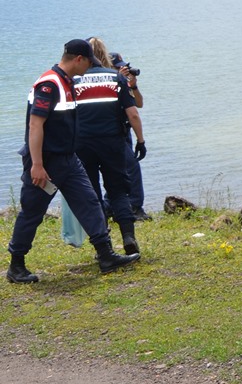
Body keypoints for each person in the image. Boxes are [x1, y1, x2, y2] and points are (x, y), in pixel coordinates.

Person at [6, 40, 141, 284]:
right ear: (79, 58)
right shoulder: (49, 84)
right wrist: (37, 164)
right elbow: (35, 124)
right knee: (33, 212)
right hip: (46, 162)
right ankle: (16, 265)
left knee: (89, 202)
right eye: (89, 62)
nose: (89, 68)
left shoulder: (68, 82)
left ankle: (106, 255)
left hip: (69, 159)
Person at [76, 41, 147, 255]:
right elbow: (133, 112)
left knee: (92, 194)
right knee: (118, 192)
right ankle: (128, 237)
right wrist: (141, 141)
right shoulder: (115, 77)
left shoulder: (73, 81)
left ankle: (103, 245)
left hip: (82, 144)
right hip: (113, 142)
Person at [105, 45, 151, 221]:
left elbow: (139, 104)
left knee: (116, 170)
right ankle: (134, 207)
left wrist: (133, 85)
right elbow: (133, 113)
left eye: (122, 67)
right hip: (115, 132)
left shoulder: (123, 84)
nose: (121, 70)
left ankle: (110, 206)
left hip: (124, 132)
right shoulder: (111, 83)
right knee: (131, 169)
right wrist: (142, 141)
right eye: (117, 67)